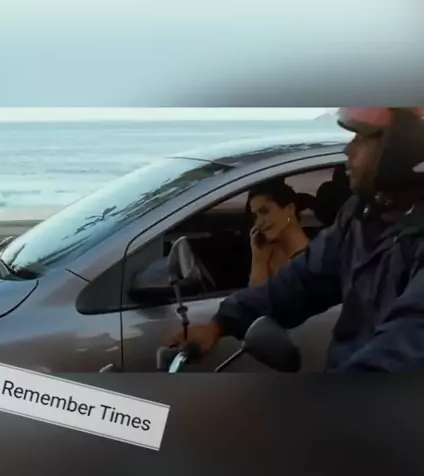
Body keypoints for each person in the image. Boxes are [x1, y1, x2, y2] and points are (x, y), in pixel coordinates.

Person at [167, 107, 424, 372]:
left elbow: (405, 349)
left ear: (404, 148)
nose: (348, 150)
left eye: (361, 138)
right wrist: (220, 324)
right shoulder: (363, 214)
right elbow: (303, 279)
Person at [246, 180, 309, 286]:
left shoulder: (314, 256)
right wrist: (259, 260)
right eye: (255, 217)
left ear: (290, 209)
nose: (259, 222)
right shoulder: (267, 255)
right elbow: (256, 294)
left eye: (264, 211)